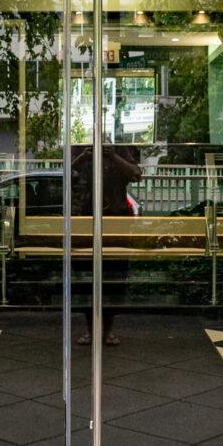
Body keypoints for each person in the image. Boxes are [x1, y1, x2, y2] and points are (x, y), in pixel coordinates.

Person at [71, 142, 141, 346]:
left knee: (114, 277)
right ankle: (91, 330)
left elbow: (136, 174)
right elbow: (65, 174)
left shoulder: (118, 149)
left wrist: (114, 157)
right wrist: (84, 157)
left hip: (115, 222)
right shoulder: (80, 148)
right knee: (86, 278)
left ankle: (108, 330)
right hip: (85, 220)